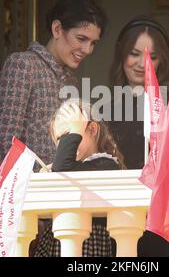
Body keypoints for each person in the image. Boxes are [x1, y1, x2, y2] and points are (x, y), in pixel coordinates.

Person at [0, 0, 107, 170]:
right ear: (57, 29)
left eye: (93, 43)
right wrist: (39, 181)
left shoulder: (71, 81)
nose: (87, 49)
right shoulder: (23, 64)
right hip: (29, 190)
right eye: (82, 39)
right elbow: (5, 143)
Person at [108, 15, 169, 257]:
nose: (141, 63)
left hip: (164, 218)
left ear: (162, 62)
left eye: (152, 57)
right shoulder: (102, 108)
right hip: (120, 216)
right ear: (121, 55)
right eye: (134, 53)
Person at [33, 99, 125, 257]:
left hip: (88, 244)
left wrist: (58, 168)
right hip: (61, 239)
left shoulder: (105, 164)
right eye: (59, 140)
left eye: (70, 135)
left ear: (92, 130)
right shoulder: (71, 167)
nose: (65, 144)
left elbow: (62, 167)